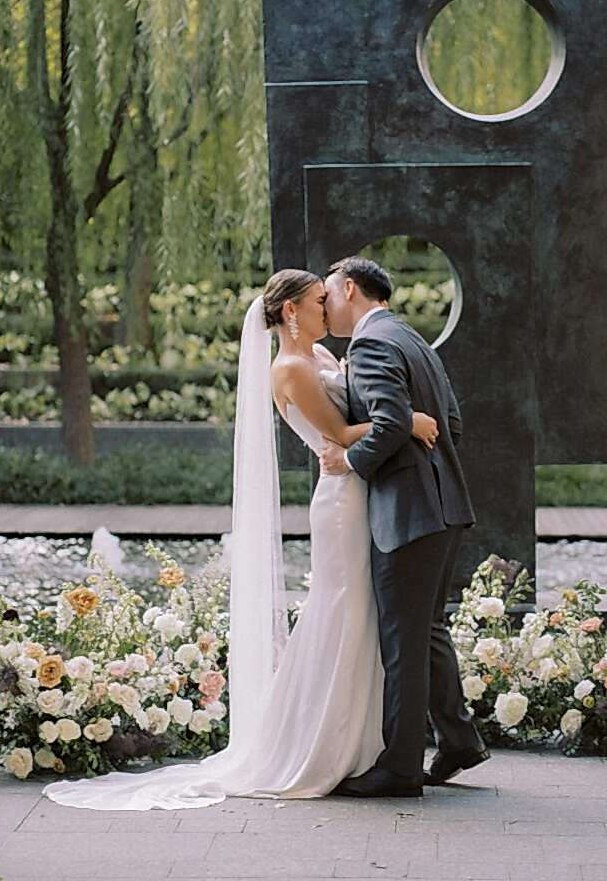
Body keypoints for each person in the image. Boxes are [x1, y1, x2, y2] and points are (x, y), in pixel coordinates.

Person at [42, 269, 439, 810]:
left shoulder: (321, 359)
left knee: (360, 617)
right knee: (342, 613)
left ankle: (361, 743)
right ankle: (318, 745)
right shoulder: (293, 368)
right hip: (341, 497)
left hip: (358, 488)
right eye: (318, 302)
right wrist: (409, 421)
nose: (328, 310)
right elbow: (341, 436)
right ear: (293, 312)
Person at [321, 257, 487, 798]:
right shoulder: (411, 338)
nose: (325, 306)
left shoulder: (369, 345)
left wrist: (352, 462)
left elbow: (392, 423)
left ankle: (400, 768)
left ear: (350, 289)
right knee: (428, 630)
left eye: (328, 295)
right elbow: (452, 424)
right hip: (443, 508)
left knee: (403, 642)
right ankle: (459, 742)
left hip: (409, 514)